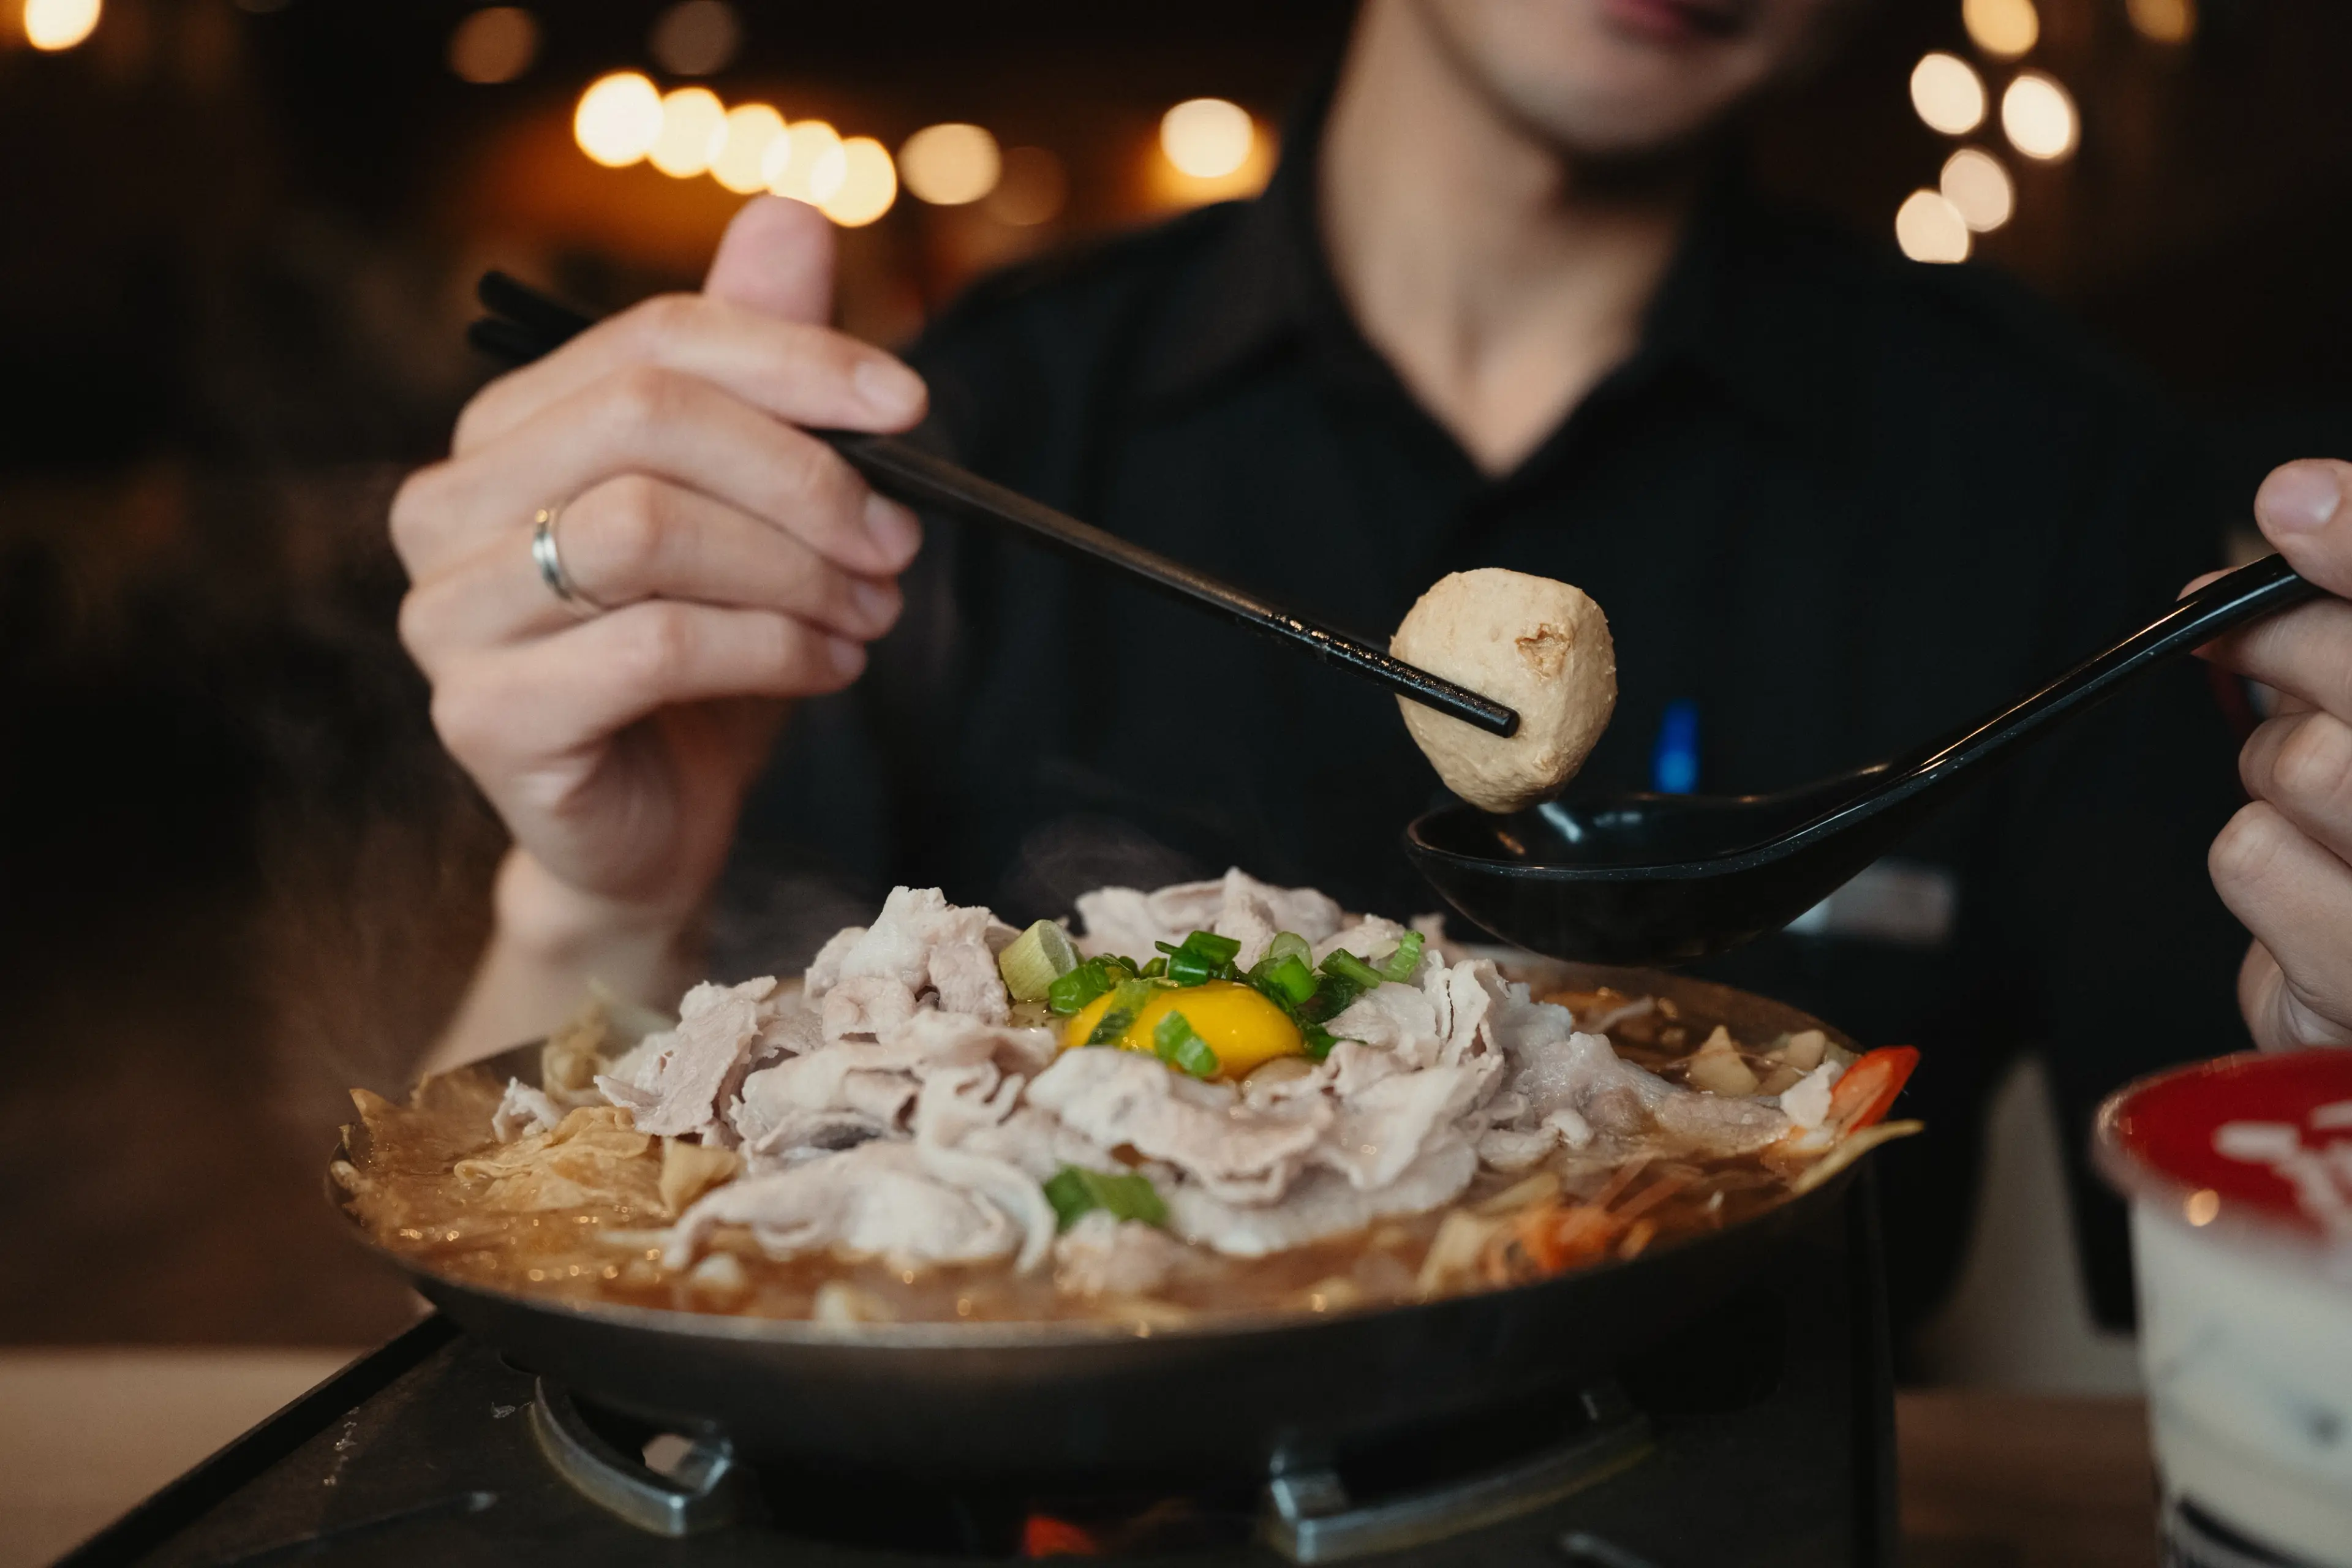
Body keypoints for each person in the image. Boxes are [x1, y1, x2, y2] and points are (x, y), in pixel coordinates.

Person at [389, 0, 2352, 1339]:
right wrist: (592, 896)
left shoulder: (2050, 480)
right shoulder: (975, 427)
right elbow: (558, 1282)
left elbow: (2256, 1258)